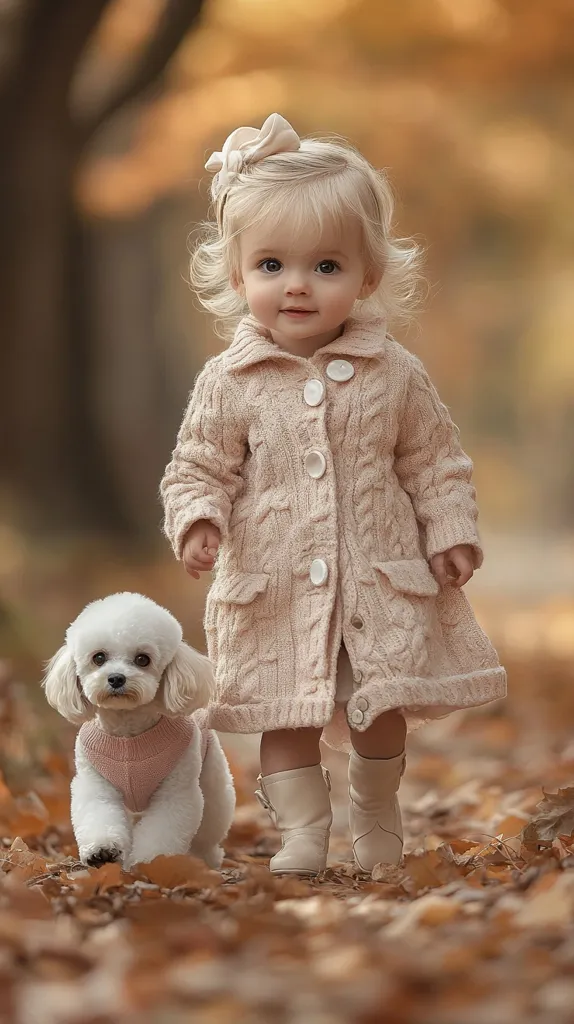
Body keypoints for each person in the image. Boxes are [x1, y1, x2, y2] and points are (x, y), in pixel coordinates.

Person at [160, 113, 506, 877]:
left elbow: (435, 460)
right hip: (276, 588)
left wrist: (449, 527)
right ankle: (303, 831)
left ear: (367, 276)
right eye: (273, 264)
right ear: (238, 273)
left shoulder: (396, 372)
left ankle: (376, 810)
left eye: (325, 267)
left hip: (377, 584)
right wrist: (198, 520)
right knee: (286, 714)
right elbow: (199, 466)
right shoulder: (231, 382)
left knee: (378, 708)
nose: (297, 285)